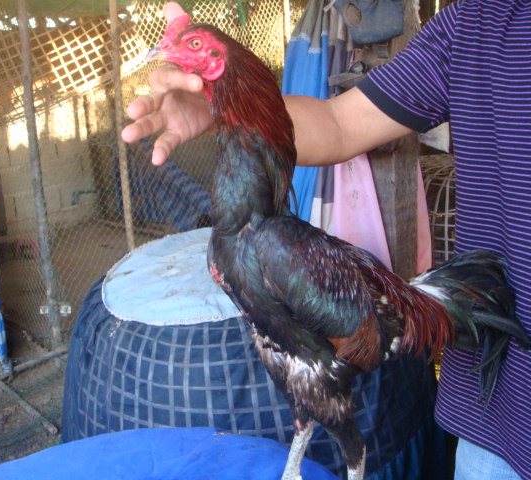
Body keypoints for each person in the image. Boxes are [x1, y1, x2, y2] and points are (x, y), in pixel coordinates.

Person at [121, 2, 531, 479]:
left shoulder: (274, 244)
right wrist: (221, 110)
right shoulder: (480, 21)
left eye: (194, 45)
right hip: (501, 413)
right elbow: (340, 124)